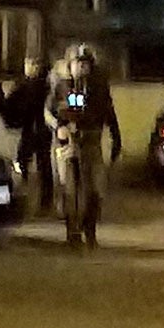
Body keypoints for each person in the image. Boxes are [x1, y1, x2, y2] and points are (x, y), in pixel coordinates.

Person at [48, 43, 122, 247]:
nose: (81, 68)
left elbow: (109, 112)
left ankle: (89, 229)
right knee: (69, 189)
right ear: (70, 65)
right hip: (67, 142)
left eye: (85, 64)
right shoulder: (62, 86)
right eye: (77, 63)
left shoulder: (98, 87)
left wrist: (116, 139)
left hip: (91, 141)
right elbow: (48, 111)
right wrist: (58, 127)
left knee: (96, 189)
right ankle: (72, 233)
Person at [3, 55, 55, 214]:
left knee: (28, 163)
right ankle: (42, 200)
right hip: (36, 130)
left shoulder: (29, 86)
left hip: (35, 130)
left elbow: (10, 105)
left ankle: (30, 198)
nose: (29, 68)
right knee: (38, 164)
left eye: (31, 65)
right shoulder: (40, 86)